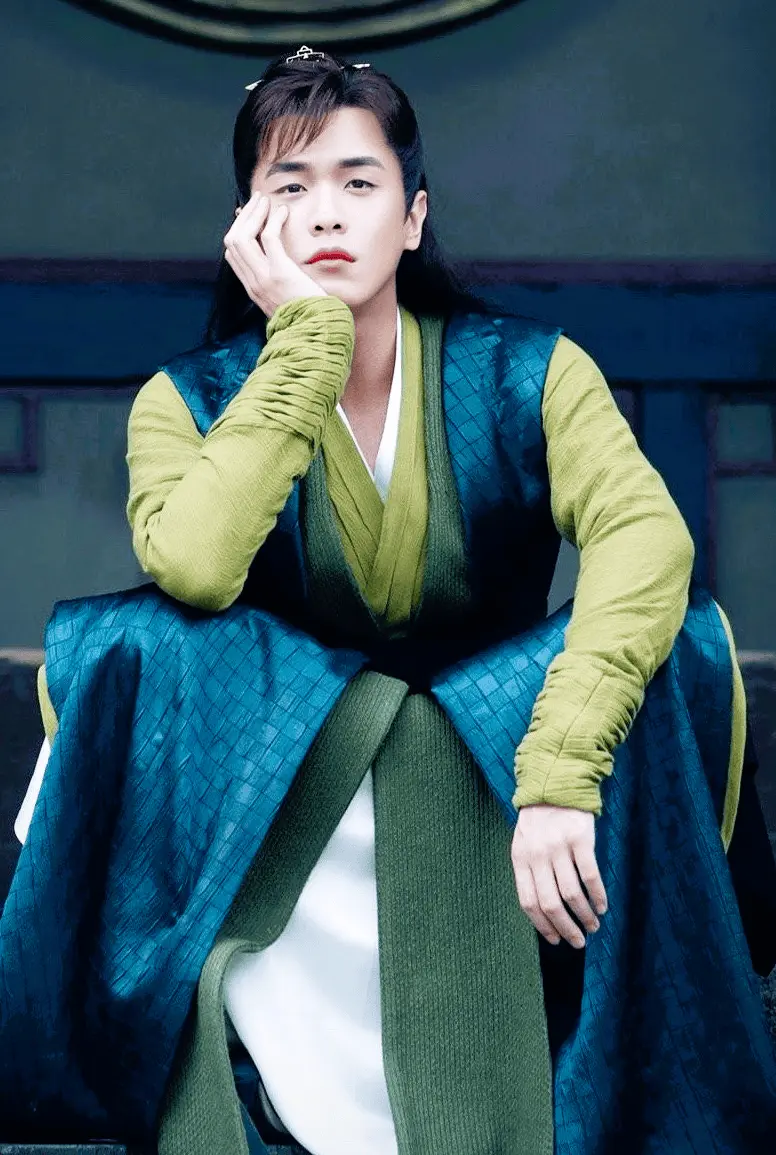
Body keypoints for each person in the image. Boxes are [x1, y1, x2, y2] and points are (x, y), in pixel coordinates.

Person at [4, 45, 776, 1155]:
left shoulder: (527, 370)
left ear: (412, 218)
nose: (326, 211)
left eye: (358, 182)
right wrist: (307, 340)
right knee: (134, 640)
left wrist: (563, 765)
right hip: (282, 786)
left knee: (675, 632)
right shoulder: (185, 400)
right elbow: (197, 566)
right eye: (290, 184)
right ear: (246, 229)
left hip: (504, 762)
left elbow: (642, 534)